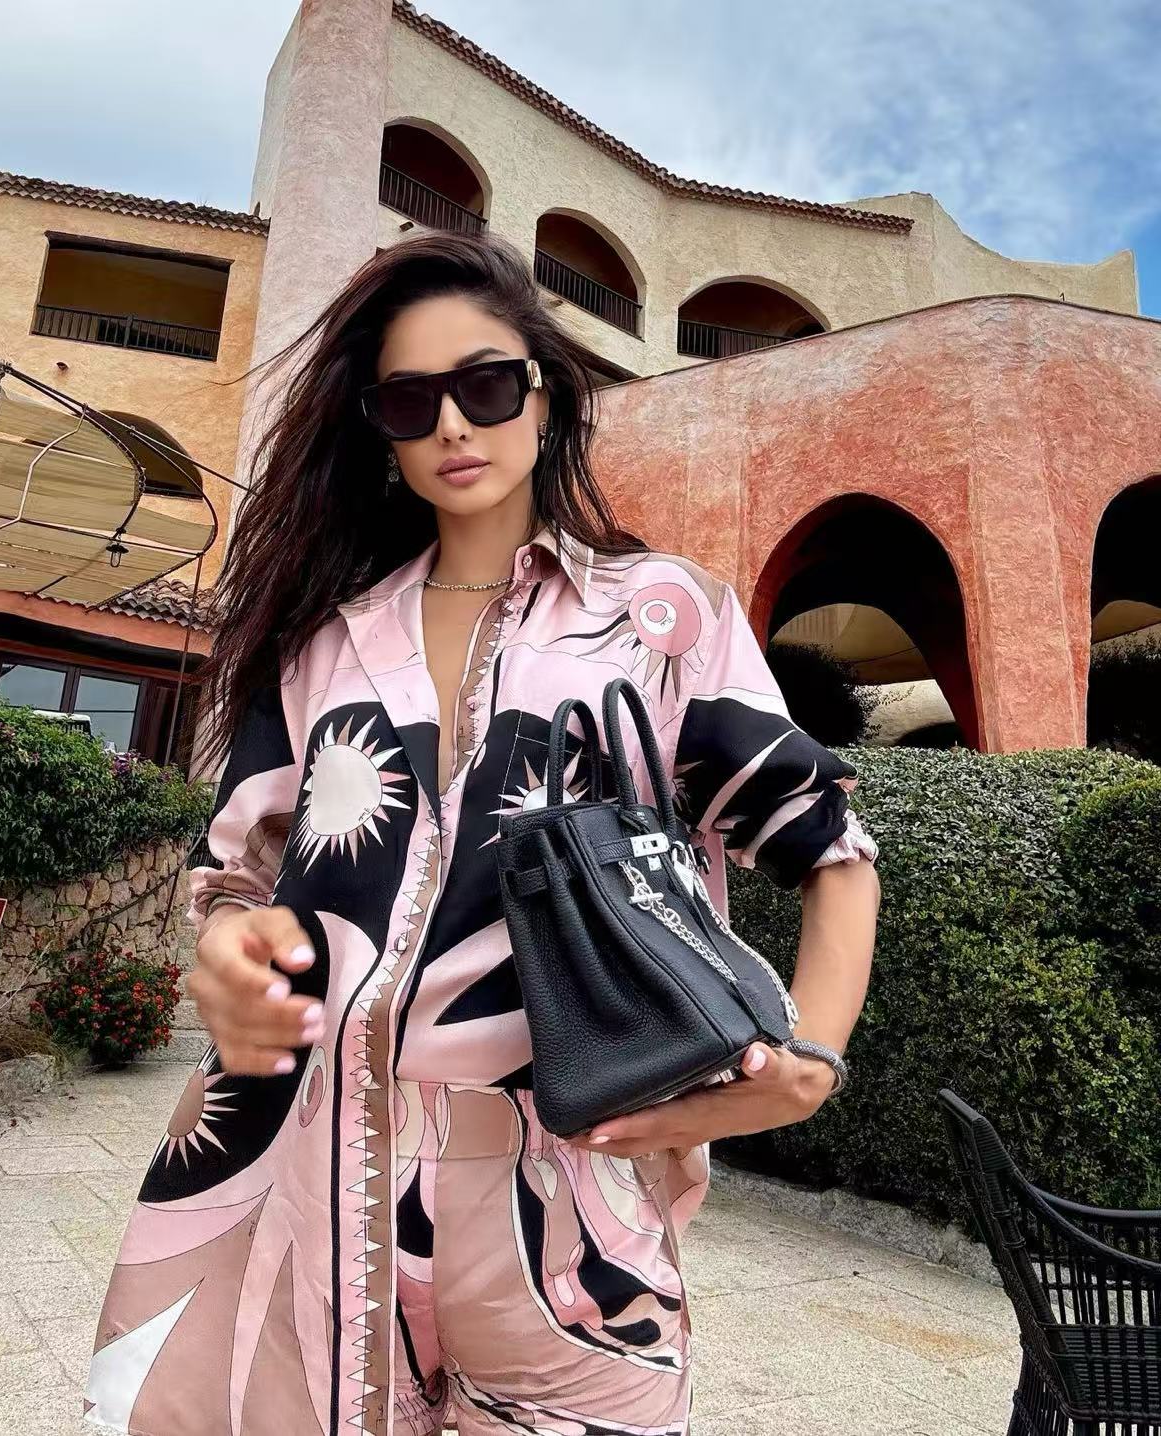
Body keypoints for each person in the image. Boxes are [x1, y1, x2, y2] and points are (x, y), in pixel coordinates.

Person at [82, 231, 880, 1436]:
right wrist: (228, 949)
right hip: (293, 1172)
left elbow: (830, 845)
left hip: (569, 1203)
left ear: (545, 398)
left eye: (487, 384)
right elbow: (236, 871)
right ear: (382, 435)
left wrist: (807, 1064)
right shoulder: (323, 643)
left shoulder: (660, 619)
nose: (452, 423)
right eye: (410, 401)